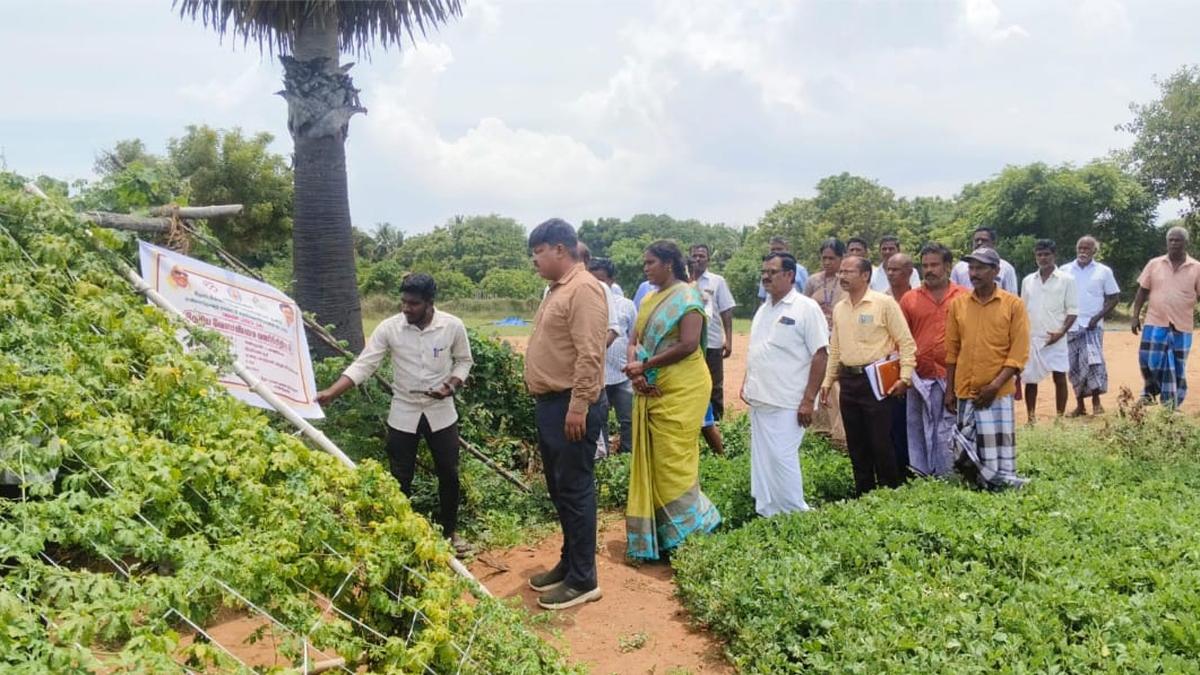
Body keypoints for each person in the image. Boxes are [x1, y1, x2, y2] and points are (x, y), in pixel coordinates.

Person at [316, 273, 474, 555]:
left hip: (441, 412)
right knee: (400, 477)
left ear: (429, 303)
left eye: (413, 304)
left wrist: (450, 386)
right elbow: (365, 365)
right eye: (403, 302)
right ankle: (402, 534)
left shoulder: (452, 326)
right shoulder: (390, 328)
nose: (406, 309)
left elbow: (463, 361)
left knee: (448, 474)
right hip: (404, 411)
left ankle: (450, 533)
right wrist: (331, 392)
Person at [523, 218, 609, 610]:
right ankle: (569, 561)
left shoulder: (585, 289)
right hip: (552, 405)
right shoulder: (557, 289)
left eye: (538, 253)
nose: (535, 261)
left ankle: (583, 579)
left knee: (575, 490)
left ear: (559, 248)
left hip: (571, 406)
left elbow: (591, 353)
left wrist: (578, 406)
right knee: (561, 490)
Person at [623, 240, 722, 561]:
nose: (645, 268)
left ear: (669, 263)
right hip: (649, 386)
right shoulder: (650, 297)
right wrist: (637, 373)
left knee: (673, 459)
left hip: (683, 388)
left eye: (650, 262)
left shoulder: (688, 297)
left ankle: (690, 532)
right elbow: (634, 339)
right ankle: (662, 536)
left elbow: (689, 345)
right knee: (655, 458)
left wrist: (646, 367)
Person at [821, 255, 917, 496]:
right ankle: (863, 493)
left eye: (848, 272)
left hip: (876, 381)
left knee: (881, 442)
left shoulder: (883, 304)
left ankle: (889, 492)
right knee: (856, 442)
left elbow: (906, 343)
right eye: (841, 272)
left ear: (865, 275)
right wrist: (828, 380)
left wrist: (904, 378)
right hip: (849, 381)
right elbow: (835, 348)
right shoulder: (840, 309)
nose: (842, 276)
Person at [742, 252, 829, 516]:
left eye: (772, 272)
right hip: (761, 398)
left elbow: (821, 354)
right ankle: (769, 511)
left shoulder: (805, 308)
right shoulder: (763, 309)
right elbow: (759, 349)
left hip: (789, 401)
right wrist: (748, 382)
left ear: (789, 275)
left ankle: (796, 515)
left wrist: (807, 399)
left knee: (782, 459)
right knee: (764, 461)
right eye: (764, 272)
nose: (766, 277)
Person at [945, 248, 1030, 488]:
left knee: (997, 450)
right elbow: (951, 352)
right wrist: (949, 391)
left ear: (996, 271)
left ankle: (1000, 486)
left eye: (981, 267)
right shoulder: (958, 305)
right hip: (965, 390)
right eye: (971, 268)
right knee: (966, 448)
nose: (974, 273)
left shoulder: (1014, 305)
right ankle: (976, 488)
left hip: (998, 392)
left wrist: (993, 386)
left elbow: (1018, 353)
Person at [900, 243, 969, 476]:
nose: (929, 270)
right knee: (918, 427)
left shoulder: (963, 297)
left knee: (948, 428)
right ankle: (921, 472)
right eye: (925, 265)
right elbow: (901, 339)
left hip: (953, 376)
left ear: (947, 266)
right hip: (920, 377)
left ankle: (951, 474)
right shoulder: (910, 299)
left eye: (935, 265)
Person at [1130, 226, 1200, 408]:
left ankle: (1171, 404)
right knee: (1148, 360)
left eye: (1178, 240)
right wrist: (1135, 316)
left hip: (1182, 326)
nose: (1174, 243)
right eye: (1171, 240)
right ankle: (1149, 393)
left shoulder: (1196, 268)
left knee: (1177, 366)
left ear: (1186, 243)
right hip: (1155, 322)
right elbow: (1142, 291)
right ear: (1167, 242)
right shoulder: (1154, 264)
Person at [1059, 236, 1120, 416]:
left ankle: (1096, 403)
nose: (1083, 251)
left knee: (1094, 365)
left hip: (1093, 328)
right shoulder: (1065, 270)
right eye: (1080, 248)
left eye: (1087, 248)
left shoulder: (1104, 271)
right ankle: (1080, 406)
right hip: (1071, 327)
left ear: (1094, 251)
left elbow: (1114, 297)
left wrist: (1098, 316)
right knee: (1074, 367)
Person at [1020, 239, 1077, 423]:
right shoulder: (1028, 280)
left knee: (1059, 377)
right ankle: (1031, 418)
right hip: (1033, 337)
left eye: (1047, 254)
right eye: (1039, 254)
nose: (1043, 258)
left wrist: (1061, 332)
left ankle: (1059, 418)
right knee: (1030, 379)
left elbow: (1073, 311)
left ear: (1054, 255)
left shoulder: (1067, 280)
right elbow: (1023, 309)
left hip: (1056, 337)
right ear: (1035, 256)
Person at [588, 258, 636, 454]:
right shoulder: (586, 304)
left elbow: (634, 337)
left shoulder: (626, 305)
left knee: (628, 419)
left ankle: (627, 456)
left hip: (622, 373)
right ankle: (604, 457)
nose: (598, 286)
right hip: (598, 376)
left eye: (602, 281)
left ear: (612, 280)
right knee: (599, 420)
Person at [804, 238, 848, 444]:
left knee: (836, 383)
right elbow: (804, 307)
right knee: (817, 379)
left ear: (841, 258)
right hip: (817, 339)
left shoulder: (847, 280)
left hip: (840, 339)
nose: (827, 262)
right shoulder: (813, 281)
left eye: (832, 258)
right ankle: (819, 429)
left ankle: (840, 433)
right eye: (824, 258)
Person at [690, 244, 737, 421]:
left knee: (714, 385)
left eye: (702, 255)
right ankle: (695, 422)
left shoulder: (717, 281)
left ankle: (716, 423)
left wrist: (729, 340)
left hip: (712, 342)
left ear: (708, 259)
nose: (698, 259)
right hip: (689, 344)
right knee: (691, 384)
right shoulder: (683, 282)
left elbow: (726, 311)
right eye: (694, 255)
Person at [950, 227, 1019, 293]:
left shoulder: (1006, 268)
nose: (979, 243)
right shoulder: (959, 267)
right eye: (976, 240)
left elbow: (1011, 293)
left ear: (993, 243)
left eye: (984, 240)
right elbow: (953, 292)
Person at [756, 236, 810, 300]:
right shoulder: (766, 272)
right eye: (772, 250)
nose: (776, 252)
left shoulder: (800, 270)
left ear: (787, 249)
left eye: (779, 249)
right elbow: (763, 298)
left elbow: (807, 295)